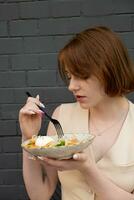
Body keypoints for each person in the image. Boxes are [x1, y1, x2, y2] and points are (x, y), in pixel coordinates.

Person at [19, 26, 134, 200]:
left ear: (111, 70)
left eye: (83, 75)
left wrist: (87, 168)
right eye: (69, 76)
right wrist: (29, 139)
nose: (71, 86)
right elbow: (39, 194)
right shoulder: (61, 116)